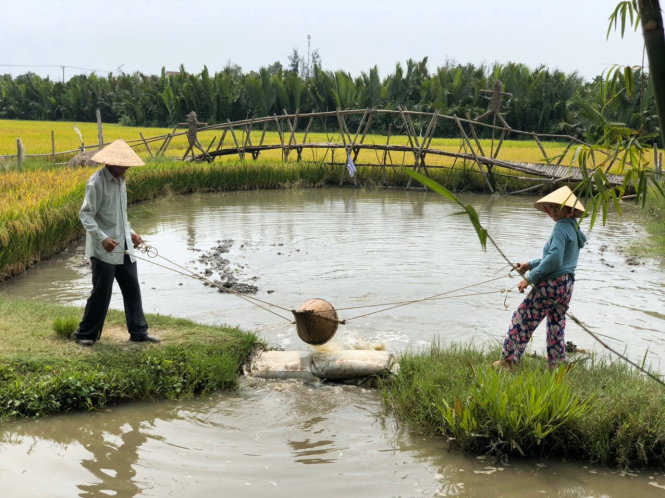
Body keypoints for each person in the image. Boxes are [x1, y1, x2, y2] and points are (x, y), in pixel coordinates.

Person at [74, 139, 160, 346]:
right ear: (112, 163)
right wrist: (103, 239)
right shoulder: (97, 182)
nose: (127, 168)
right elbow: (85, 215)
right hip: (104, 250)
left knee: (132, 289)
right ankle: (85, 334)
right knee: (101, 293)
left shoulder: (121, 180)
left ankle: (139, 332)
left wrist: (132, 234)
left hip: (124, 247)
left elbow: (121, 216)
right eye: (124, 164)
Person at [494, 186, 587, 369]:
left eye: (557, 207)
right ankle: (557, 364)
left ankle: (508, 361)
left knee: (522, 318)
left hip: (551, 284)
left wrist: (531, 278)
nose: (552, 211)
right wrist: (530, 263)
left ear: (568, 210)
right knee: (556, 323)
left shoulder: (560, 227)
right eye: (550, 207)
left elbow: (554, 259)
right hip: (566, 285)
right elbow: (557, 259)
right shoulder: (573, 228)